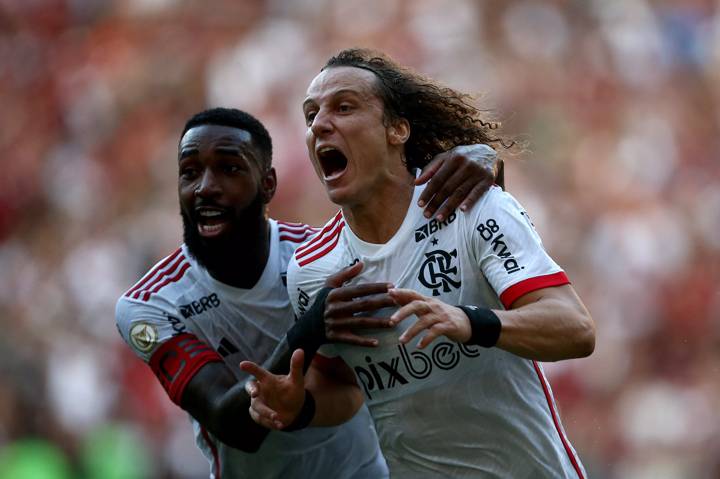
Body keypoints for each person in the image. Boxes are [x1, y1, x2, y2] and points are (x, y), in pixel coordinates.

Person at [241, 49, 596, 478]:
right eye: (311, 115)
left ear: (397, 129)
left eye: (345, 106)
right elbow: (347, 385)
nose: (319, 124)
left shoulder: (471, 209)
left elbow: (575, 329)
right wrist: (300, 407)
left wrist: (470, 322)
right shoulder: (312, 269)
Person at [114, 107, 501, 478]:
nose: (206, 188)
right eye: (189, 172)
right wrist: (309, 329)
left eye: (230, 168)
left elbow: (355, 383)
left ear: (268, 185)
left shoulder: (320, 260)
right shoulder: (151, 304)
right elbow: (232, 425)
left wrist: (482, 172)